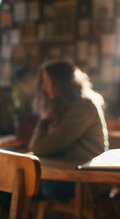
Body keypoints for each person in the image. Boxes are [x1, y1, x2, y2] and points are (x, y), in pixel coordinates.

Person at [29, 60, 108, 203]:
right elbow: (40, 147)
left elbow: (39, 147)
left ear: (60, 83)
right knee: (26, 185)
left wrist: (44, 121)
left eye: (47, 82)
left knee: (41, 188)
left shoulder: (84, 108)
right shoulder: (62, 107)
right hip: (68, 174)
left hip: (88, 181)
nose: (43, 87)